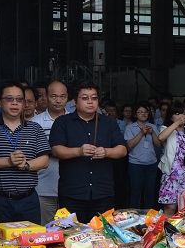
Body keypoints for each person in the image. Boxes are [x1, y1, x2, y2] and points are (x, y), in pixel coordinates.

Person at [0, 81, 51, 224]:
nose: (15, 103)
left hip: (28, 200)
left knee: (30, 243)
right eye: (9, 99)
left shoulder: (34, 128)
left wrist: (26, 165)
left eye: (19, 99)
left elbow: (44, 160)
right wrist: (8, 162)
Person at [50, 81, 127, 223]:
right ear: (74, 101)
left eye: (94, 98)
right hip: (72, 193)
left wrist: (106, 152)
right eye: (85, 98)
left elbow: (122, 150)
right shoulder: (63, 122)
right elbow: (56, 150)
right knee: (72, 236)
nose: (90, 102)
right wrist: (78, 151)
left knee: (103, 236)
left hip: (103, 193)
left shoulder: (108, 123)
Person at [31, 80, 69, 224]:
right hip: (43, 187)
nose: (58, 100)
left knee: (69, 232)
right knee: (45, 231)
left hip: (71, 189)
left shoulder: (75, 121)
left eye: (62, 96)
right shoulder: (35, 123)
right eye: (54, 96)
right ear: (46, 96)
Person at [124, 102, 162, 209]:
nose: (143, 114)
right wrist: (141, 133)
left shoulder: (153, 126)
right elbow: (130, 145)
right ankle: (133, 216)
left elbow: (158, 144)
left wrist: (153, 133)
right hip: (135, 164)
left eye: (145, 112)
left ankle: (149, 217)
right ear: (135, 115)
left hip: (151, 164)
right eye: (140, 112)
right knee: (136, 192)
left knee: (150, 192)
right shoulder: (130, 127)